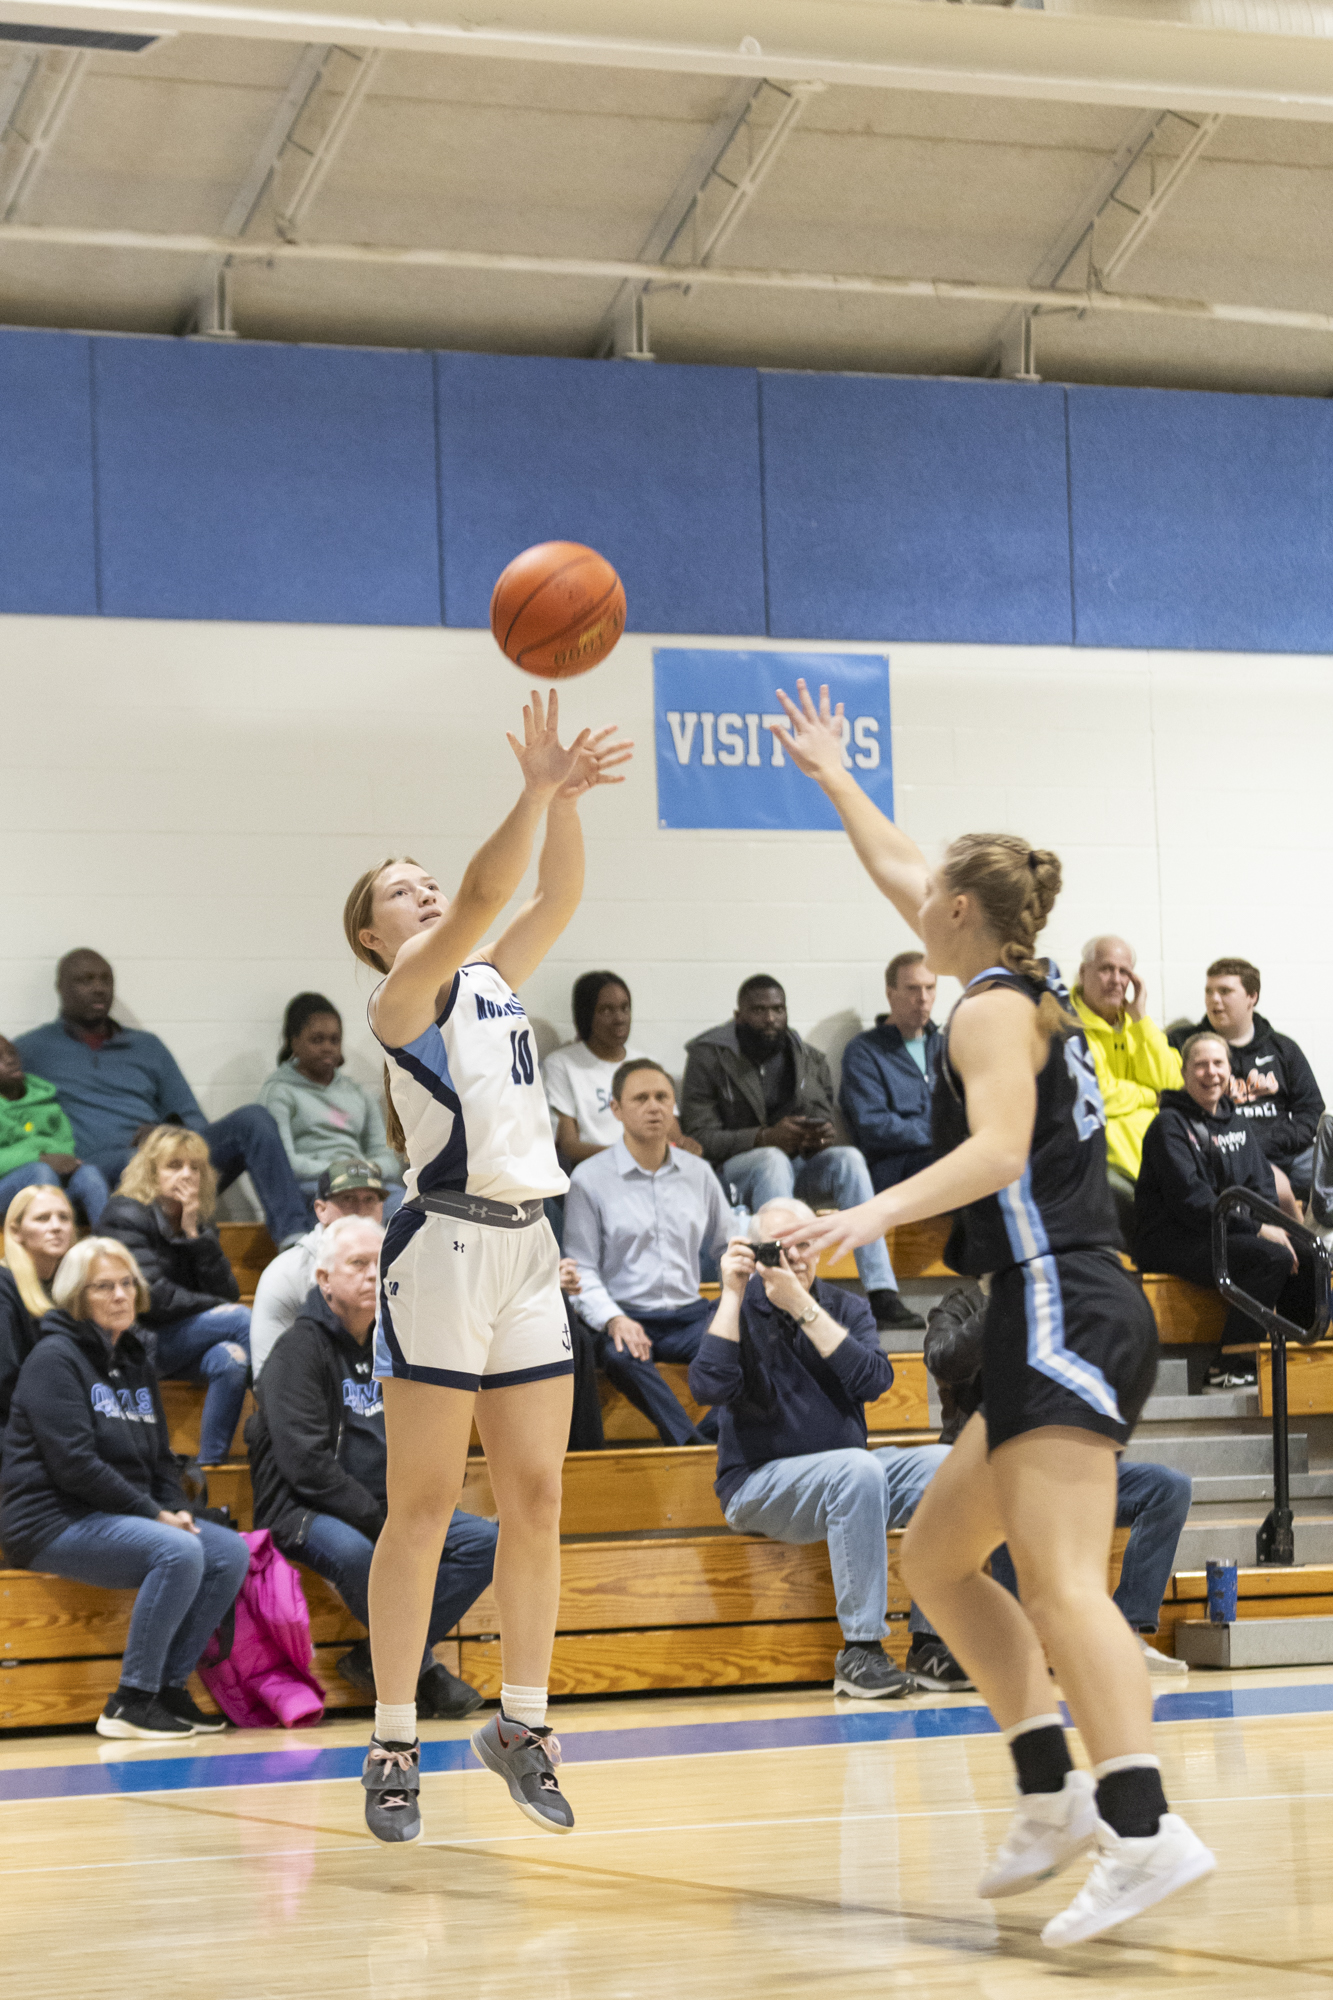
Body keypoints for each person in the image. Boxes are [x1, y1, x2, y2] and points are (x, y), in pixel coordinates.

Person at [765, 678, 1213, 1948]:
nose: (911, 909)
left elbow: (1002, 1152)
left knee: (1064, 1579)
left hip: (1061, 1294)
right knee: (939, 1558)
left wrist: (861, 1216)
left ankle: (1141, 1826)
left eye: (927, 904)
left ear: (958, 917)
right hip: (1047, 1304)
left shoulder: (984, 1009)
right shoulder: (1021, 981)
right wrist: (835, 776)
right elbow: (905, 862)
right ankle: (1051, 1794)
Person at [343, 687, 630, 1844]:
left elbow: (553, 890)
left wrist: (560, 800)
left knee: (539, 1499)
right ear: (372, 934)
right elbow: (482, 892)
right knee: (418, 1508)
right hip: (442, 1251)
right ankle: (394, 1739)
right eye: (393, 887)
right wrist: (533, 785)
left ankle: (521, 1721)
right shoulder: (399, 995)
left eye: (422, 875)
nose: (419, 888)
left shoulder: (493, 980)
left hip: (526, 1248)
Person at [689, 1198, 966, 1698]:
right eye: (777, 1247)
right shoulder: (737, 1309)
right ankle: (861, 1651)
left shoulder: (845, 1308)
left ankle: (929, 1643)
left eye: (804, 1244)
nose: (793, 1257)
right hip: (758, 1484)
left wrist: (803, 1306)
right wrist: (731, 1293)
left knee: (947, 1464)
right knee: (857, 1470)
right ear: (753, 1253)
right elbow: (708, 1387)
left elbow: (874, 1379)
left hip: (847, 1479)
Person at [0, 1235, 251, 1740]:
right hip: (49, 1520)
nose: (120, 1296)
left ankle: (169, 1688)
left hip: (116, 1515)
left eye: (126, 1285)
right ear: (76, 1297)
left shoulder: (135, 1358)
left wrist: (175, 1508)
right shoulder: (54, 1358)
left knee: (229, 1552)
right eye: (103, 1287)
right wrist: (156, 1517)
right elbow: (75, 1467)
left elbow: (160, 1459)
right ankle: (130, 1701)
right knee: (178, 1552)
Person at [247, 1215, 496, 1718]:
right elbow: (306, 1466)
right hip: (302, 1510)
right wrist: (387, 1523)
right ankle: (421, 1669)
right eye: (358, 1264)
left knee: (486, 1543)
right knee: (363, 1557)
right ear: (324, 1280)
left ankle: (376, 1657)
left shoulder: (396, 1341)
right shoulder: (297, 1351)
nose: (372, 1275)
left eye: (380, 1264)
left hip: (383, 1506)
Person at [924, 1288, 1191, 1676]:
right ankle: (1021, 1642)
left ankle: (1125, 1631)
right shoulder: (960, 1305)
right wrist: (1005, 1309)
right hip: (989, 1465)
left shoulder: (1060, 1299)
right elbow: (944, 1359)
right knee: (1011, 1495)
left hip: (1061, 1460)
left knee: (1167, 1488)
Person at [14, 951, 311, 1248]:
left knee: (254, 1120)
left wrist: (164, 1134)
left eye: (106, 979)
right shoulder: (31, 1051)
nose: (99, 987)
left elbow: (194, 1120)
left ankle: (295, 1241)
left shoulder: (147, 1047)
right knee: (134, 1162)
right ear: (61, 987)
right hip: (97, 1170)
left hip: (161, 1160)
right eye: (86, 980)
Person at [681, 975, 921, 1332]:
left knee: (849, 1159)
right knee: (771, 1158)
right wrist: (765, 1137)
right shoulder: (708, 1055)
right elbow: (700, 1137)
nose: (770, 1018)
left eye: (778, 1009)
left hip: (794, 1165)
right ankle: (778, 1286)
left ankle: (882, 1292)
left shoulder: (806, 1056)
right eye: (759, 1010)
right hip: (731, 1172)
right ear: (738, 1015)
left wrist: (818, 1136)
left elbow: (822, 1114)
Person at [1134, 1032, 1317, 1387]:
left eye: (1218, 1063)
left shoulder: (1236, 1123)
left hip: (1223, 1232)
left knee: (1308, 1252)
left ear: (1229, 1071)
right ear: (1185, 1073)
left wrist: (1269, 1226)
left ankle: (1299, 1358)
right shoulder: (1167, 1126)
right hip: (1174, 1238)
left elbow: (1261, 1187)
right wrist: (1256, 1230)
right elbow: (1190, 1201)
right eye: (1200, 1065)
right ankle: (1231, 1363)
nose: (1210, 1072)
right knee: (1271, 1257)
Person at [564, 1059, 730, 1447]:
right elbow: (581, 1267)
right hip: (627, 1314)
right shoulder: (589, 1179)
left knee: (753, 1344)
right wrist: (614, 1319)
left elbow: (727, 1247)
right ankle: (690, 1447)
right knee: (621, 1356)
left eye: (662, 1097)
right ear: (616, 1109)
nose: (654, 1107)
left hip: (689, 1315)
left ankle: (705, 1436)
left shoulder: (699, 1173)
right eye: (641, 1098)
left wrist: (736, 1306)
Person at [100, 1127, 252, 1465]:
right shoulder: (125, 1213)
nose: (187, 1174)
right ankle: (280, 1424)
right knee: (241, 1319)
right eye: (175, 1165)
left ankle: (210, 1468)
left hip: (178, 1340)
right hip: (133, 1342)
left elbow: (226, 1292)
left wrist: (194, 1234)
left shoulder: (198, 1221)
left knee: (232, 1359)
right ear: (151, 1172)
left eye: (195, 1167)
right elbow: (151, 1298)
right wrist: (219, 1310)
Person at [1169, 957, 1324, 1213]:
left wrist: (1273, 1141)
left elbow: (1311, 1109)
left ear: (1252, 996)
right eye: (1209, 991)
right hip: (1227, 1153)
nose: (1213, 999)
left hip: (1288, 1153)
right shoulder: (1187, 1045)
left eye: (1225, 991)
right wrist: (1247, 1146)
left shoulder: (1283, 1048)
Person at [1071, 937, 1182, 1237]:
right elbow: (1094, 1095)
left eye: (1125, 972)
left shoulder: (1136, 1025)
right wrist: (1149, 1096)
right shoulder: (1066, 1025)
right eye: (1107, 969)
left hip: (1154, 1162)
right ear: (1083, 973)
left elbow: (1174, 1083)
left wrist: (1141, 1019)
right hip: (1105, 1164)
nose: (1117, 980)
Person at [259, 993, 405, 1219]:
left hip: (364, 1183)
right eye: (317, 1040)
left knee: (406, 1210)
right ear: (292, 1041)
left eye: (334, 1040)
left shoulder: (359, 1093)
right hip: (315, 1188)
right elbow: (285, 1163)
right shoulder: (279, 1091)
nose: (327, 1047)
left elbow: (389, 1161)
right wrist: (341, 1173)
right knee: (345, 1216)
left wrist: (361, 1172)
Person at [543, 970, 701, 1168]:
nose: (619, 1018)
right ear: (586, 1014)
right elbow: (569, 1146)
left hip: (653, 1167)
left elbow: (673, 1135)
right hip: (598, 1169)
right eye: (606, 1010)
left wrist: (686, 1146)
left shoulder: (646, 1064)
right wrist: (630, 1155)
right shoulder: (562, 1064)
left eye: (624, 1008)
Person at [249, 1157, 388, 1381]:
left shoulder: (399, 1267)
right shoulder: (286, 1273)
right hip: (310, 1398)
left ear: (381, 1210)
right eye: (348, 1199)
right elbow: (267, 1380)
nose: (360, 1211)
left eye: (369, 1199)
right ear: (321, 1210)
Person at [838, 952, 941, 1193]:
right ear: (890, 994)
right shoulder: (864, 1052)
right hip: (892, 1167)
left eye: (930, 988)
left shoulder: (946, 1047)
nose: (923, 998)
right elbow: (874, 1125)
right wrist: (939, 1133)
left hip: (943, 1156)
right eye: (913, 989)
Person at [0, 1183, 76, 1460]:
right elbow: (5, 1377)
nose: (56, 1226)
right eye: (42, 1218)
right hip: (14, 1436)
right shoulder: (3, 1285)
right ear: (16, 1231)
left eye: (64, 1217)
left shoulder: (70, 1291)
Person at [0, 1034, 109, 1224]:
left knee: (89, 1175)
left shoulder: (43, 1098)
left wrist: (52, 1159)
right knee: (40, 1171)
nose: (10, 1059)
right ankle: (51, 1250)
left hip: (51, 1185)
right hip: (8, 1191)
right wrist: (38, 1156)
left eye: (11, 1053)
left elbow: (65, 1147)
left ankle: (107, 1249)